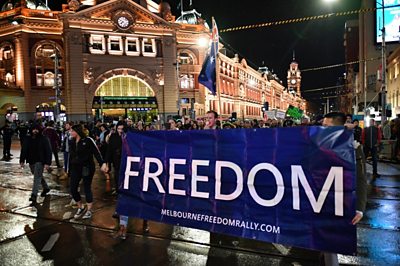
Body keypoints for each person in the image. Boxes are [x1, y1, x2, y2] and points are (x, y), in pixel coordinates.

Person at [322, 112, 368, 266]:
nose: (322, 129)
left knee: (330, 245)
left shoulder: (353, 148)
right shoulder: (316, 144)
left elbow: (361, 179)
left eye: (326, 126)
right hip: (317, 201)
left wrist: (359, 209)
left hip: (339, 203)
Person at [69, 124, 107, 219]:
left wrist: (102, 163)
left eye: (72, 131)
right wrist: (68, 169)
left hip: (87, 167)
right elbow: (71, 156)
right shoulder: (72, 141)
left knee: (87, 188)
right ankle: (80, 207)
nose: (70, 132)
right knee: (73, 188)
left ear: (77, 131)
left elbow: (96, 152)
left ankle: (89, 210)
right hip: (75, 168)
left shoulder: (88, 140)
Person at [19, 124, 52, 204]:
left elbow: (48, 151)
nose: (35, 131)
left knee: (36, 178)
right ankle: (46, 188)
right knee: (38, 175)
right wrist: (22, 160)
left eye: (37, 129)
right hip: (31, 161)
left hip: (40, 161)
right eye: (33, 129)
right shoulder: (27, 138)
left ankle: (34, 195)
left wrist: (47, 163)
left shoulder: (44, 138)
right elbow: (24, 149)